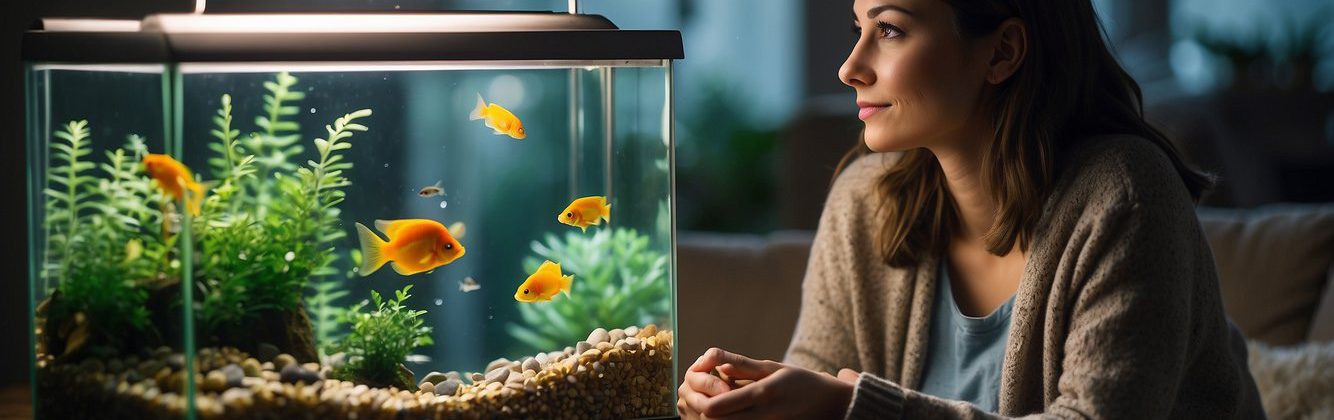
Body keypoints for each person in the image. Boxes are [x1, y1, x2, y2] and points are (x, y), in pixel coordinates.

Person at [676, 0, 1267, 418]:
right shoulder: (864, 201)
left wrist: (853, 411)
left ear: (1002, 51)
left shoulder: (1126, 196)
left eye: (889, 30)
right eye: (859, 26)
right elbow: (819, 380)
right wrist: (751, 401)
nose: (849, 67)